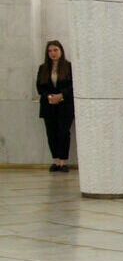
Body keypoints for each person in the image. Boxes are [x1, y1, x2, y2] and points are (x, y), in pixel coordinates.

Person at [36, 40, 74, 173]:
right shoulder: (43, 68)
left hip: (65, 106)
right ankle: (56, 161)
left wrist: (61, 95)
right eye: (50, 51)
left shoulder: (69, 66)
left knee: (63, 133)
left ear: (61, 51)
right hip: (49, 105)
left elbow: (72, 86)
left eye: (55, 50)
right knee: (51, 133)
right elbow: (40, 87)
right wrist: (49, 96)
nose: (53, 53)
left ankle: (64, 161)